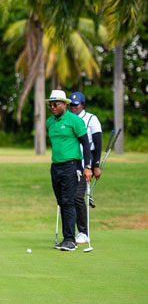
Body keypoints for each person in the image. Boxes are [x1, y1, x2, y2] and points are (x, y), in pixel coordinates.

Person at [46, 90, 92, 251]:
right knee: (61, 202)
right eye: (50, 104)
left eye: (55, 104)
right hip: (56, 166)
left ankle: (70, 240)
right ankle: (67, 238)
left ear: (64, 104)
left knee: (68, 201)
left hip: (72, 166)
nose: (52, 107)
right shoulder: (50, 122)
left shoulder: (75, 121)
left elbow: (86, 144)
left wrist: (87, 166)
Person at [69, 91, 102, 244]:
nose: (73, 107)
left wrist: (95, 166)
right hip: (70, 165)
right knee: (69, 199)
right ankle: (71, 232)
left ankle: (83, 232)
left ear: (82, 105)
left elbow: (97, 143)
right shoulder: (67, 119)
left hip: (85, 166)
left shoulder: (91, 119)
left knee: (77, 197)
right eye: (71, 105)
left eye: (76, 105)